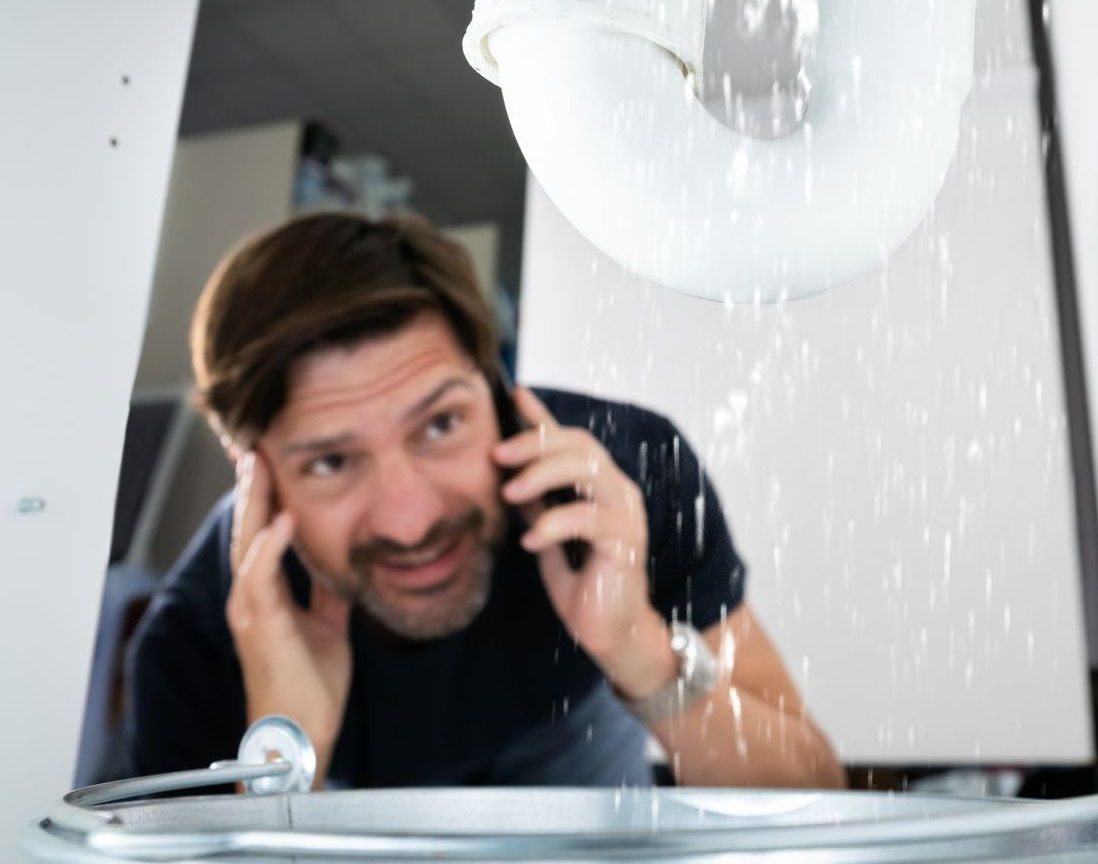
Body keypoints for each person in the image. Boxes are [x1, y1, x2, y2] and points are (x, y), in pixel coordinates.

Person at [123, 211, 841, 790]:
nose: (411, 519)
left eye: (441, 424)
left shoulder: (630, 477)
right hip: (344, 775)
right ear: (254, 473)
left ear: (497, 387)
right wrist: (288, 746)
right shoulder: (193, 636)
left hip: (570, 720)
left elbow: (814, 795)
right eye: (332, 461)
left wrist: (639, 651)